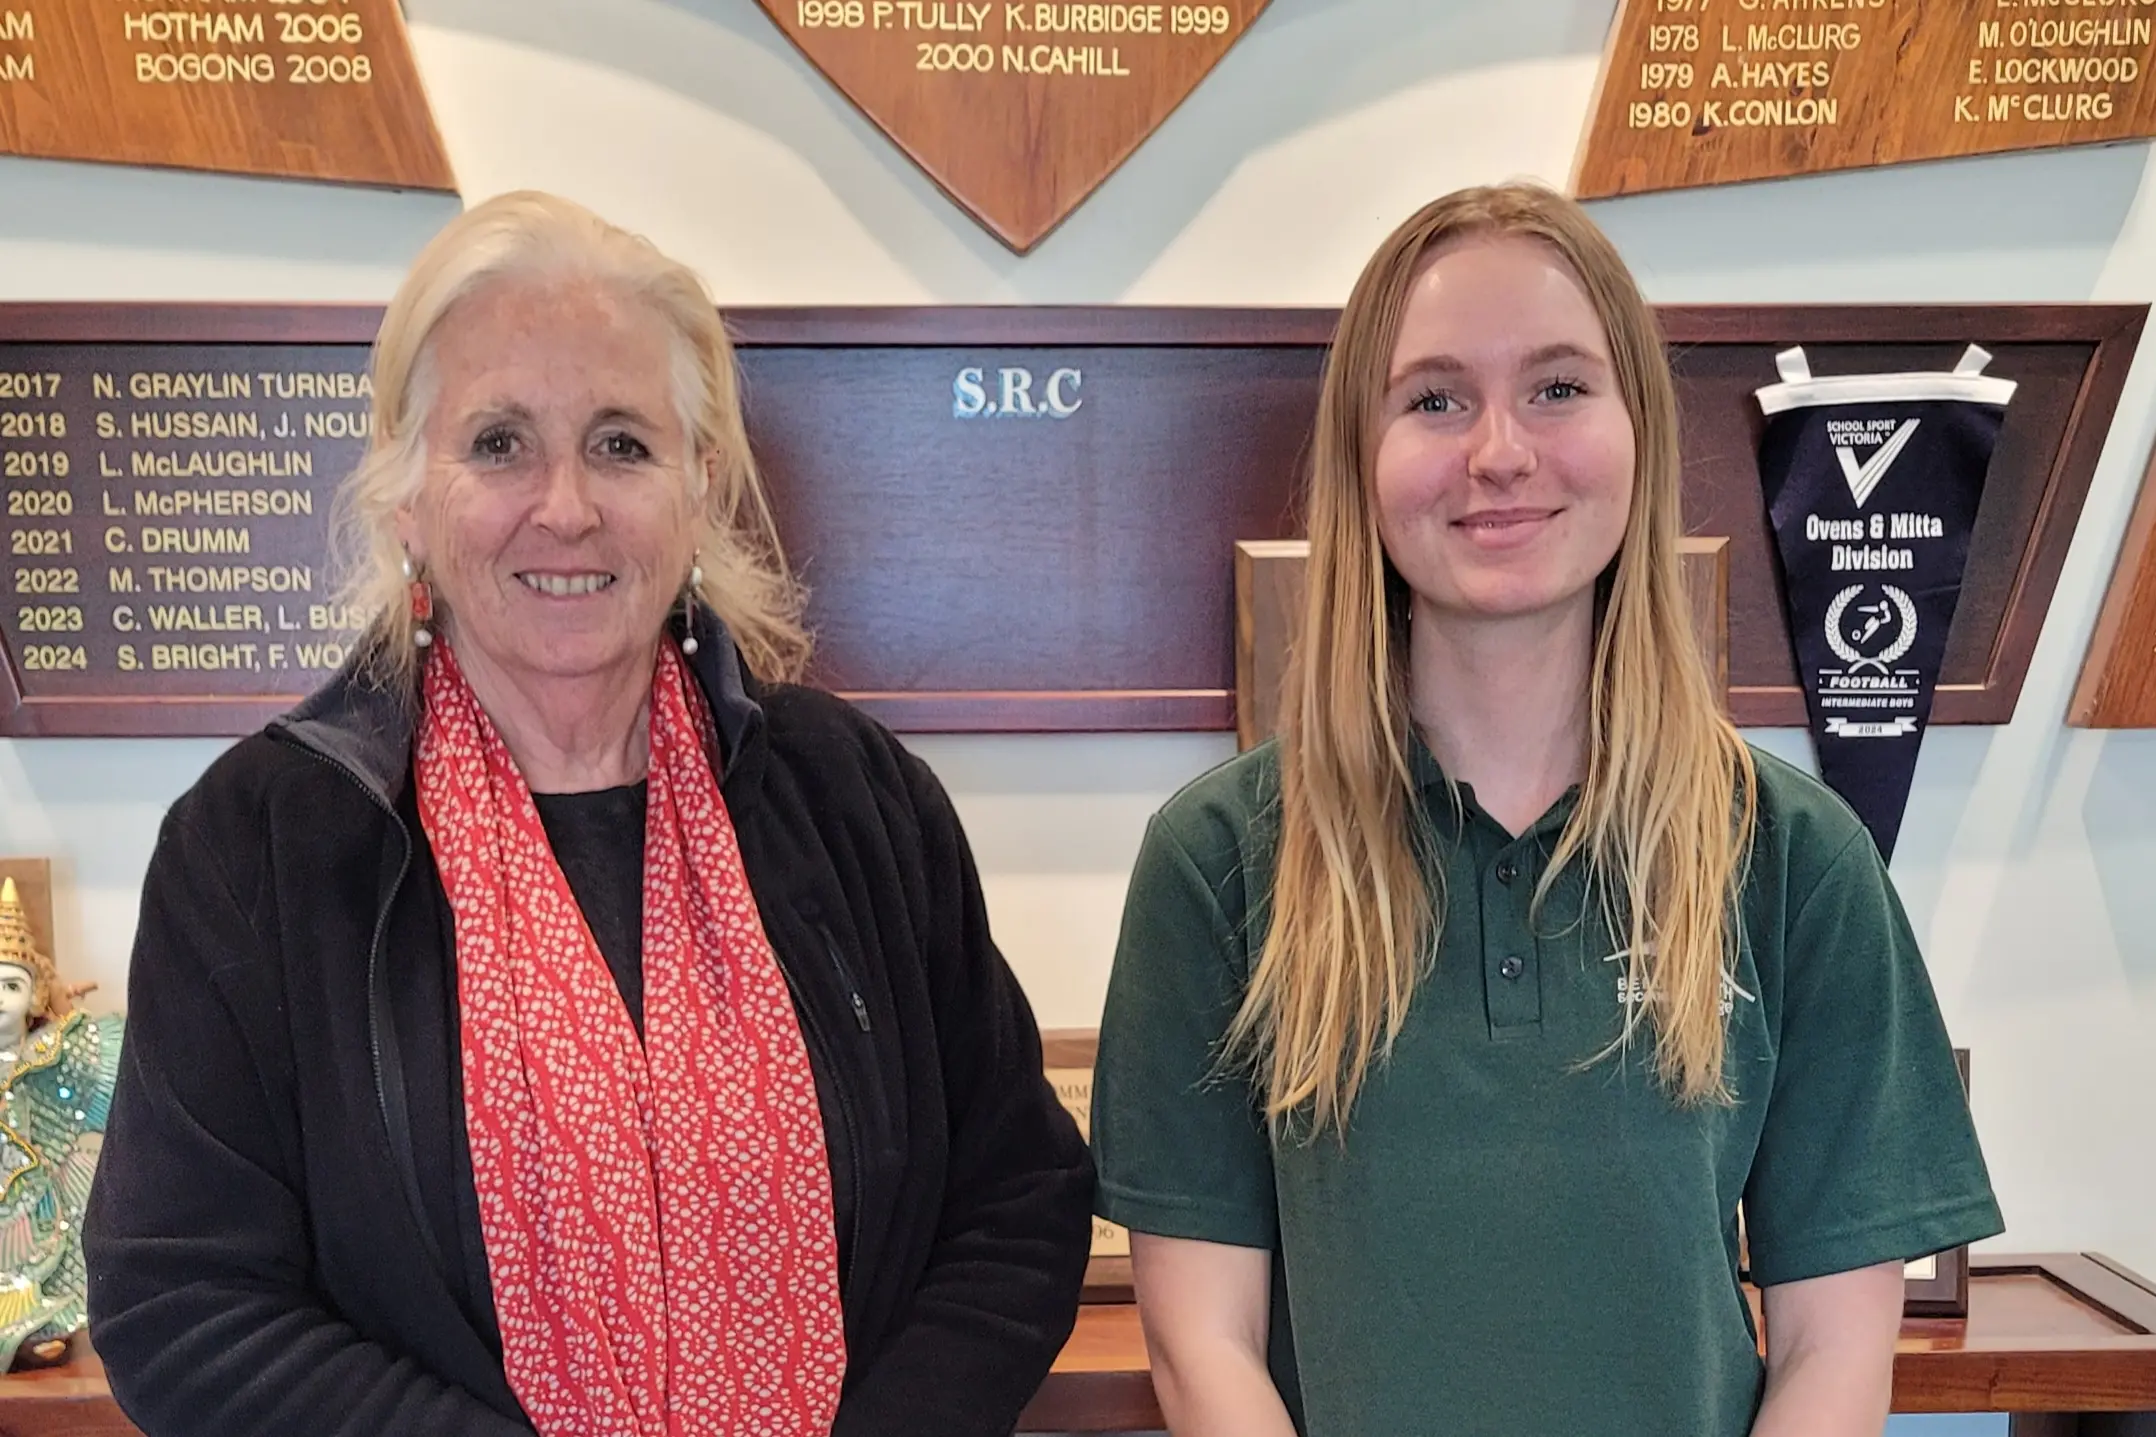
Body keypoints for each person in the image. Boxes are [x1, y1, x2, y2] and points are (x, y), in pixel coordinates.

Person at [85, 191, 1093, 1437]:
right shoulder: (258, 848)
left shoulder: (855, 799)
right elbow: (183, 1301)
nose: (564, 507)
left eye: (621, 443)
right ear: (408, 498)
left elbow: (1019, 1196)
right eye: (498, 443)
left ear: (698, 487)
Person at [1089, 183, 2001, 1437]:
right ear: (1363, 453)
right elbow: (1202, 1347)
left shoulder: (1794, 858)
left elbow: (1832, 1355)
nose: (1498, 451)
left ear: (1638, 434)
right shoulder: (1219, 863)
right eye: (1434, 398)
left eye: (1558, 387)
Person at [0, 876, 121, 1371]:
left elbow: (98, 1056)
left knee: (38, 1260)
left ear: (33, 996)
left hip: (35, 1200)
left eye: (11, 985)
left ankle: (32, 1328)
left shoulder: (46, 1055)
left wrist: (65, 1013)